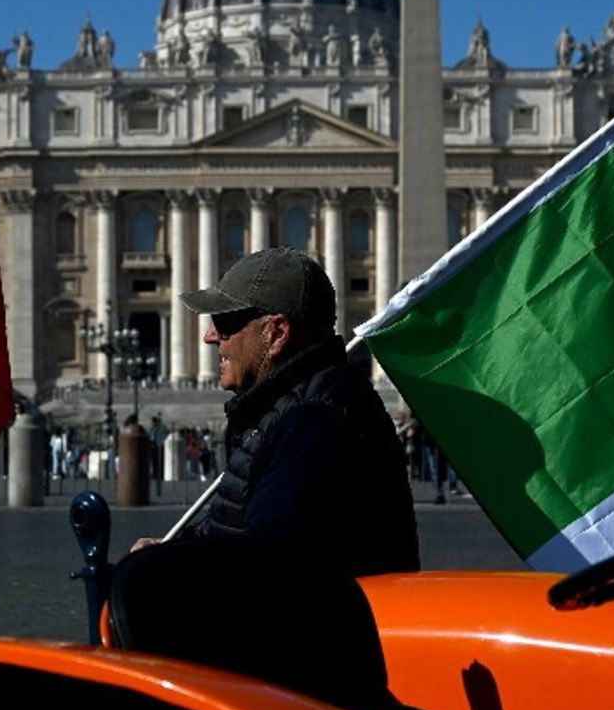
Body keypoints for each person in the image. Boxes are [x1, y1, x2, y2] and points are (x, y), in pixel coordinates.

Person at [134, 247, 419, 577]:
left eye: (224, 321)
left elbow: (268, 567)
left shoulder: (312, 423)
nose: (210, 336)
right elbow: (238, 529)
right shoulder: (285, 409)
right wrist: (174, 551)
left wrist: (179, 568)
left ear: (277, 333)